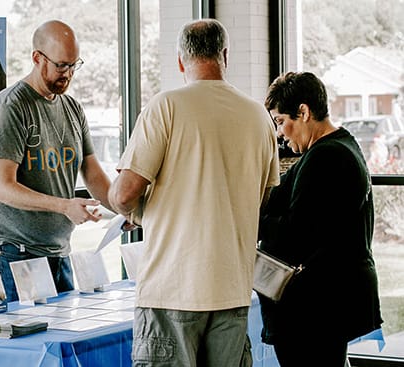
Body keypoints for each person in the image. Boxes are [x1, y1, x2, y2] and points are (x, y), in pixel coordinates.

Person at [108, 19, 280, 366]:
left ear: (180, 61)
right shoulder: (259, 117)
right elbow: (260, 200)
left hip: (172, 289)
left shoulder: (166, 107)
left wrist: (131, 210)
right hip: (232, 289)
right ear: (225, 55)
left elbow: (124, 194)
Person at [0, 20, 116, 302]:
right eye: (62, 66)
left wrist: (127, 209)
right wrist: (65, 206)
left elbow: (93, 173)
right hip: (11, 250)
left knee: (61, 338)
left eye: (75, 65)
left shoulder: (72, 108)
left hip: (56, 250)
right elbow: (3, 188)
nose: (69, 74)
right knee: (26, 342)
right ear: (37, 58)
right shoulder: (10, 108)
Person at [258, 71, 383, 366]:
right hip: (329, 305)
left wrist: (250, 224)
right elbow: (276, 200)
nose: (280, 133)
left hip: (318, 310)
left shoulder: (327, 158)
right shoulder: (340, 148)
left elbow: (294, 236)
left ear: (303, 112)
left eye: (280, 121)